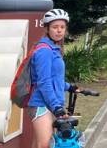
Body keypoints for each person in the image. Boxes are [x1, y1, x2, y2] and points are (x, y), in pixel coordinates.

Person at [29, 8, 82, 148]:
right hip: (42, 104)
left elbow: (54, 79)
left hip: (51, 104)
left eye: (62, 27)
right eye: (55, 27)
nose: (59, 30)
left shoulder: (54, 48)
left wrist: (69, 87)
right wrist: (56, 106)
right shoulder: (44, 51)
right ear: (47, 29)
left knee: (40, 144)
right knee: (46, 144)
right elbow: (44, 82)